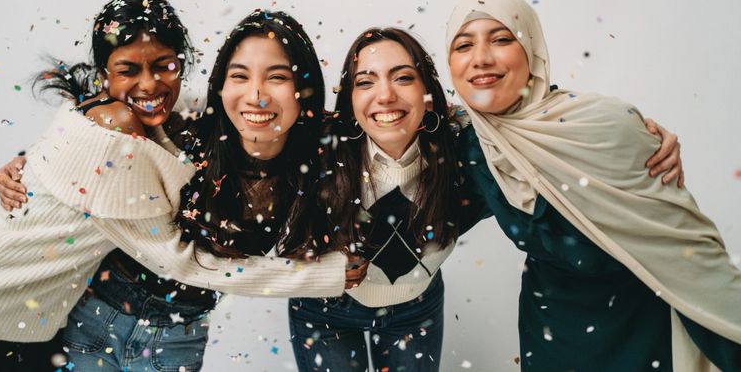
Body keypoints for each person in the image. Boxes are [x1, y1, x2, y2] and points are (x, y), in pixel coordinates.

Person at [0, 0, 350, 372]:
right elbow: (173, 258)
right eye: (128, 70)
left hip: (37, 320)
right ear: (104, 75)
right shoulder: (116, 125)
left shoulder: (179, 117)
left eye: (164, 66)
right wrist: (323, 277)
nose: (150, 84)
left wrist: (26, 159)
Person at [288, 27, 685, 371]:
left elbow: (538, 117)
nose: (385, 95)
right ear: (350, 96)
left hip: (414, 312)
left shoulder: (468, 146)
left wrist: (636, 135)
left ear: (428, 91)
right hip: (325, 312)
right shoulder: (317, 148)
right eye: (365, 81)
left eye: (403, 77)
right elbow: (242, 154)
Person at [445, 0, 741, 370]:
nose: (481, 59)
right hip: (552, 335)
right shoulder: (474, 147)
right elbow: (419, 213)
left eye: (502, 39)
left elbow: (687, 250)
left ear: (531, 50)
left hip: (641, 333)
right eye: (463, 46)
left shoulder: (603, 124)